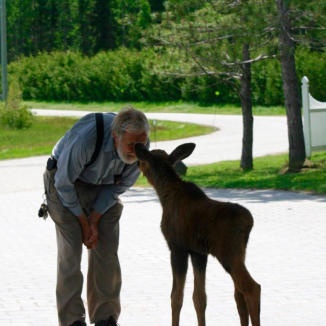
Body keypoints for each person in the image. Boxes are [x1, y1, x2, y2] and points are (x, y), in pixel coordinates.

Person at [43, 107, 150, 326]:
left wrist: (94, 219)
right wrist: (83, 222)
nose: (137, 151)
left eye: (141, 144)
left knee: (107, 251)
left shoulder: (141, 149)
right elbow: (63, 182)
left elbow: (118, 188)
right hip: (64, 185)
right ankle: (72, 320)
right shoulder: (87, 139)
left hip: (104, 188)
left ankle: (105, 318)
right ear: (115, 135)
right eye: (131, 145)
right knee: (71, 252)